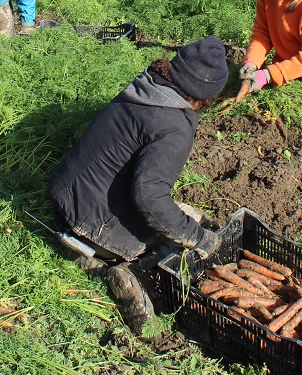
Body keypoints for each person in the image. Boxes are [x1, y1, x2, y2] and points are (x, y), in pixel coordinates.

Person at [48, 36, 229, 333]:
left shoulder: (147, 87)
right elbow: (149, 198)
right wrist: (197, 238)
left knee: (182, 215)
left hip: (65, 193)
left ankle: (79, 247)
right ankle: (125, 271)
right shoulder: (174, 127)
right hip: (92, 221)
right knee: (178, 241)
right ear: (206, 95)